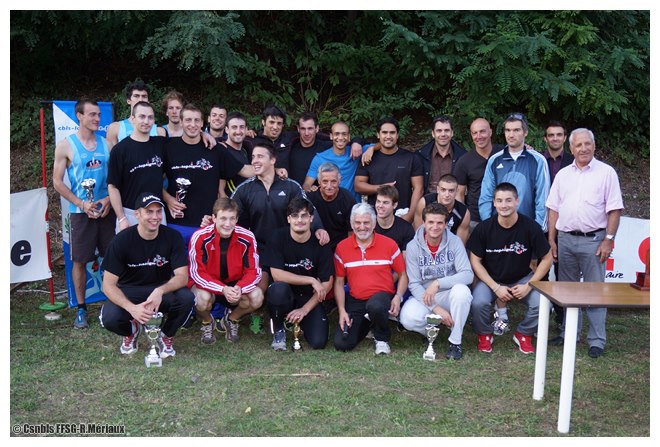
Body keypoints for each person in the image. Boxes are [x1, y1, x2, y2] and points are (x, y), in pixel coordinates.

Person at [546, 128, 624, 358]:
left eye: (587, 144)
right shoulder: (563, 175)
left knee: (595, 292)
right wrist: (551, 239)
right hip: (565, 239)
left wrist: (609, 240)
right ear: (571, 149)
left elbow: (615, 209)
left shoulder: (607, 173)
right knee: (568, 291)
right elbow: (553, 209)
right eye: (578, 145)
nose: (583, 148)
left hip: (594, 241)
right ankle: (569, 334)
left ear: (594, 146)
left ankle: (596, 340)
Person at [99, 193, 194, 358]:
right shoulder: (121, 241)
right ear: (137, 214)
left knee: (186, 299)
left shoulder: (172, 237)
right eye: (149, 212)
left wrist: (160, 291)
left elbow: (182, 277)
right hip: (130, 290)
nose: (155, 217)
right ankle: (131, 330)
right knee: (110, 318)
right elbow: (108, 285)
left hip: (160, 289)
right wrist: (132, 308)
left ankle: (166, 335)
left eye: (158, 211)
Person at [467, 183, 552, 354]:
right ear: (494, 203)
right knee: (478, 302)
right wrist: (495, 287)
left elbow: (547, 258)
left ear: (517, 201)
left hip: (522, 278)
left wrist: (529, 285)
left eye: (508, 200)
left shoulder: (530, 226)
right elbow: (475, 261)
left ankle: (524, 333)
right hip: (492, 279)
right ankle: (484, 334)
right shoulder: (484, 228)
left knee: (543, 304)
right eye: (499, 201)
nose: (504, 205)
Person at [53, 98, 115, 329]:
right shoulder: (66, 145)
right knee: (79, 260)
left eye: (99, 115)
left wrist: (108, 200)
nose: (97, 119)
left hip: (107, 210)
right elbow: (57, 182)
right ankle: (81, 308)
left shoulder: (106, 144)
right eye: (92, 115)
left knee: (113, 257)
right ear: (79, 116)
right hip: (80, 212)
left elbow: (116, 177)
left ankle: (114, 303)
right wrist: (81, 203)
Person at [162, 103, 254, 246]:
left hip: (206, 223)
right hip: (176, 223)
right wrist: (167, 199)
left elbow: (244, 170)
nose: (193, 124)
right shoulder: (168, 147)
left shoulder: (214, 148)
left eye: (197, 120)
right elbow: (153, 178)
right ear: (181, 122)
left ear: (202, 123)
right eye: (188, 120)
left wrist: (272, 168)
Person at [399, 203, 474, 360]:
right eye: (431, 222)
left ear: (446, 224)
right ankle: (430, 332)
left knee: (462, 292)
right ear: (423, 223)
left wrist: (438, 283)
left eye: (440, 222)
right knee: (408, 318)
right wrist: (436, 308)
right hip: (425, 296)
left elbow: (468, 275)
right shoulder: (413, 246)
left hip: (448, 294)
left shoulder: (455, 242)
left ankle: (455, 341)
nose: (435, 227)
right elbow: (414, 284)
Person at [333, 203, 408, 355]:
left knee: (376, 305)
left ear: (374, 223)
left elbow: (403, 275)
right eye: (358, 223)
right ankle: (370, 323)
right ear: (352, 224)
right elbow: (339, 282)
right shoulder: (342, 247)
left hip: (381, 298)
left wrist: (398, 296)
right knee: (342, 343)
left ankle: (381, 338)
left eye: (366, 222)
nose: (362, 227)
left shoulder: (389, 244)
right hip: (356, 300)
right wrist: (342, 311)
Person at [188, 198, 263, 344]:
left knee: (257, 297)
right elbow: (197, 273)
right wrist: (222, 289)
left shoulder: (247, 236)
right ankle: (207, 321)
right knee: (201, 300)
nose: (228, 224)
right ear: (214, 218)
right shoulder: (200, 236)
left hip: (235, 284)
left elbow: (254, 271)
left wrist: (240, 288)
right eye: (223, 218)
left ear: (237, 219)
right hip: (208, 285)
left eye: (232, 218)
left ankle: (231, 319)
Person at [264, 197, 334, 351]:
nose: (300, 220)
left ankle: (299, 321)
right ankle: (278, 328)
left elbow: (327, 282)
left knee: (318, 342)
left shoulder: (321, 242)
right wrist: (311, 280)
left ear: (311, 218)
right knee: (278, 289)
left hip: (308, 297)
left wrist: (305, 309)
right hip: (285, 294)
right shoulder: (277, 237)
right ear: (289, 219)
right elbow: (277, 275)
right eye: (295, 216)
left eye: (304, 216)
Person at [478, 113, 550, 232]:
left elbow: (542, 198)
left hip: (528, 229)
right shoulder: (494, 160)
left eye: (516, 130)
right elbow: (486, 196)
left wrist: (537, 230)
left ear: (525, 132)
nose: (511, 135)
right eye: (508, 130)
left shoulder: (538, 160)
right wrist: (488, 226)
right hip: (498, 228)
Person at [107, 101, 167, 233]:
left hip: (157, 214)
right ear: (133, 119)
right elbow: (112, 186)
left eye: (150, 117)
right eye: (142, 117)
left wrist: (204, 134)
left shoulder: (161, 144)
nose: (146, 121)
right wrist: (122, 218)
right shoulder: (120, 150)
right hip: (130, 214)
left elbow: (185, 141)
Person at [354, 117, 424, 223]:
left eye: (392, 133)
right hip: (375, 218)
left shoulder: (411, 158)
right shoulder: (368, 157)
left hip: (403, 215)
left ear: (397, 135)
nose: (388, 136)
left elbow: (419, 188)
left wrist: (410, 215)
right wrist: (382, 188)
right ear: (378, 135)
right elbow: (358, 186)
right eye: (384, 132)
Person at [542, 120, 574, 326]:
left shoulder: (574, 161)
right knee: (542, 273)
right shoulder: (538, 160)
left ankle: (563, 320)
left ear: (564, 137)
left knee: (563, 274)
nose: (555, 138)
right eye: (551, 135)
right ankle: (541, 317)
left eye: (559, 134)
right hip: (541, 224)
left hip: (565, 225)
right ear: (545, 138)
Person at [454, 117, 504, 232]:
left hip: (504, 214)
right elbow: (459, 194)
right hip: (475, 219)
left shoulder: (504, 154)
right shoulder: (464, 161)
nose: (479, 136)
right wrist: (463, 218)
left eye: (482, 131)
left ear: (490, 132)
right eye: (474, 133)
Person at [303, 121, 362, 200]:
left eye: (344, 134)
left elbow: (378, 145)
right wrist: (311, 188)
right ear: (331, 136)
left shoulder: (356, 152)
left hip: (353, 204)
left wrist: (370, 149)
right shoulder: (320, 158)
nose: (340, 137)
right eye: (337, 134)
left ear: (349, 137)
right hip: (328, 203)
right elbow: (306, 185)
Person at [306, 162, 356, 253]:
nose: (329, 186)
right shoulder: (310, 198)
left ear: (339, 180)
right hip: (315, 246)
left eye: (333, 181)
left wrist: (347, 252)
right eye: (325, 181)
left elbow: (351, 231)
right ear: (319, 181)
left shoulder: (348, 199)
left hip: (340, 247)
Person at [413, 174, 470, 244]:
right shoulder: (425, 203)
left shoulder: (463, 212)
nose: (447, 195)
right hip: (425, 245)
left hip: (450, 247)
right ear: (438, 189)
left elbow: (460, 244)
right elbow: (418, 235)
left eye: (451, 190)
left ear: (457, 191)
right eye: (443, 190)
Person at [417, 115, 467, 194]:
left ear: (452, 133)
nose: (443, 134)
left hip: (453, 198)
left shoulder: (463, 156)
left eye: (446, 130)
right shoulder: (421, 155)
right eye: (439, 131)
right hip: (429, 199)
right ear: (433, 133)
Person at [106, 79, 159, 145]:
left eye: (144, 96)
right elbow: (112, 151)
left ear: (148, 101)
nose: (140, 99)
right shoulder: (115, 128)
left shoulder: (159, 130)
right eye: (136, 96)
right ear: (128, 101)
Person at [288, 112, 332, 185]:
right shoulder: (290, 147)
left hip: (317, 191)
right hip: (292, 191)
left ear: (317, 128)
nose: (306, 133)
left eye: (310, 128)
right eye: (303, 129)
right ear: (298, 129)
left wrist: (354, 143)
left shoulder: (326, 147)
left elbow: (344, 142)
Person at [219, 111, 254, 198]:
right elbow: (220, 190)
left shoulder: (246, 150)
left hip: (248, 201)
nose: (238, 131)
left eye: (241, 127)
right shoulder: (222, 150)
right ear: (226, 130)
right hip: (232, 203)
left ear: (246, 129)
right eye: (234, 127)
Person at [374, 185, 415, 255]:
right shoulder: (368, 226)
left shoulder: (406, 229)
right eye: (378, 201)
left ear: (395, 205)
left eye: (385, 202)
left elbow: (406, 258)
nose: (380, 206)